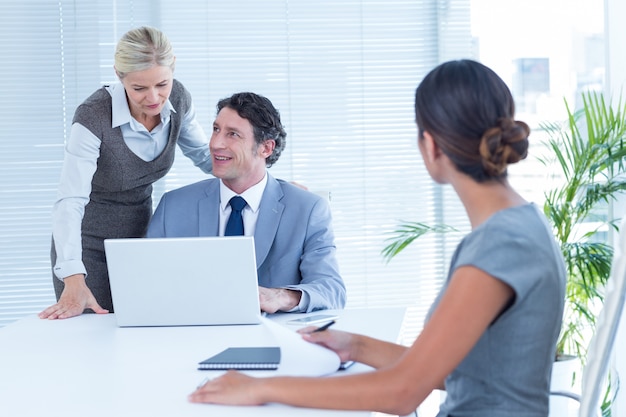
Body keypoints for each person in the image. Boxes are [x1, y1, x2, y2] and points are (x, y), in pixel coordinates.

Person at [188, 60, 567, 416]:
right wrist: (356, 346)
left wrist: (261, 388)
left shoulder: (501, 245)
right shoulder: (520, 225)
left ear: (430, 145)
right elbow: (464, 371)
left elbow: (403, 393)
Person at [39, 26, 213, 320]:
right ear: (120, 76)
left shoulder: (179, 99)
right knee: (93, 341)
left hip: (140, 240)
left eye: (162, 83)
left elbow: (206, 157)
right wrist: (72, 274)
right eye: (139, 88)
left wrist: (270, 181)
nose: (154, 97)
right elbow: (70, 199)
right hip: (86, 248)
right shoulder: (93, 116)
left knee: (144, 333)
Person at [146, 92, 346, 313]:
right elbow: (146, 283)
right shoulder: (173, 206)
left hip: (271, 339)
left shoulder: (307, 209)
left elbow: (331, 290)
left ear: (266, 148)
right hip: (192, 336)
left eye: (233, 134)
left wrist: (282, 296)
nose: (215, 143)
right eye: (216, 129)